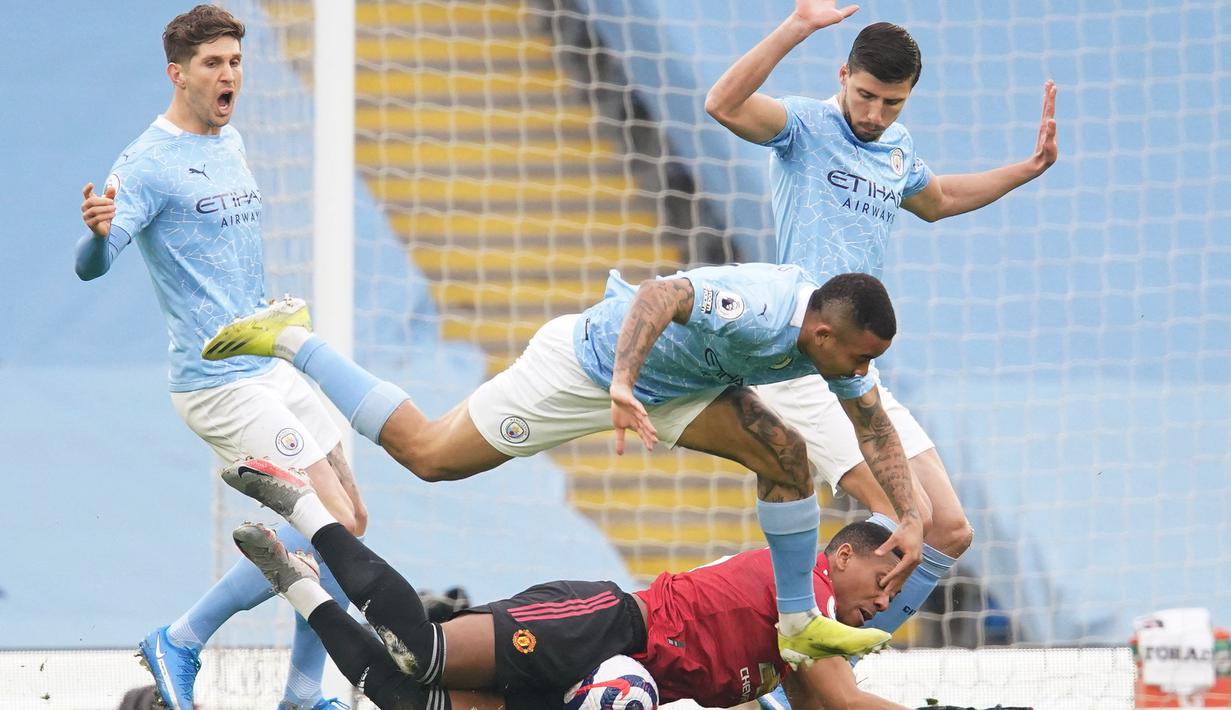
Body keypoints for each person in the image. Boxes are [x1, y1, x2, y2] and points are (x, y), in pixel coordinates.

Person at [203, 262, 923, 666]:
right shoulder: (762, 310)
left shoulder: (831, 347)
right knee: (427, 454)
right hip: (588, 368)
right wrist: (620, 383)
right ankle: (294, 339)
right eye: (860, 357)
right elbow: (662, 294)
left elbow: (874, 425)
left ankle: (796, 621)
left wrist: (913, 516)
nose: (862, 372)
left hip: (680, 388)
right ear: (821, 332)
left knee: (786, 455)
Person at [705, 0, 1059, 647]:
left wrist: (1026, 170)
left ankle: (834, 664)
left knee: (947, 530)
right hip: (800, 358)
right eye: (865, 96)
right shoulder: (805, 126)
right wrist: (796, 26)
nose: (873, 115)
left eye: (891, 103)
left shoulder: (896, 149)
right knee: (899, 516)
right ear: (843, 76)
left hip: (855, 368)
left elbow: (939, 199)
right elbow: (723, 105)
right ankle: (795, 653)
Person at [74, 6, 365, 708]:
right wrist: (97, 235)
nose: (228, 74)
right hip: (217, 385)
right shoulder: (145, 164)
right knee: (325, 526)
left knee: (350, 524)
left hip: (266, 366)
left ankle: (301, 695)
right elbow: (92, 266)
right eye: (212, 63)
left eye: (234, 61)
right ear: (178, 74)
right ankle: (181, 639)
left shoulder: (229, 141)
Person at [223, 456, 918, 710]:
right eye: (882, 580)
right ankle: (303, 505)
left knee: (410, 701)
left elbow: (828, 704)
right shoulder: (807, 589)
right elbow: (843, 699)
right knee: (422, 654)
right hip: (606, 627)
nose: (884, 602)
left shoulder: (801, 648)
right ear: (843, 556)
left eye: (893, 597)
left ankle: (299, 586)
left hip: (599, 691)